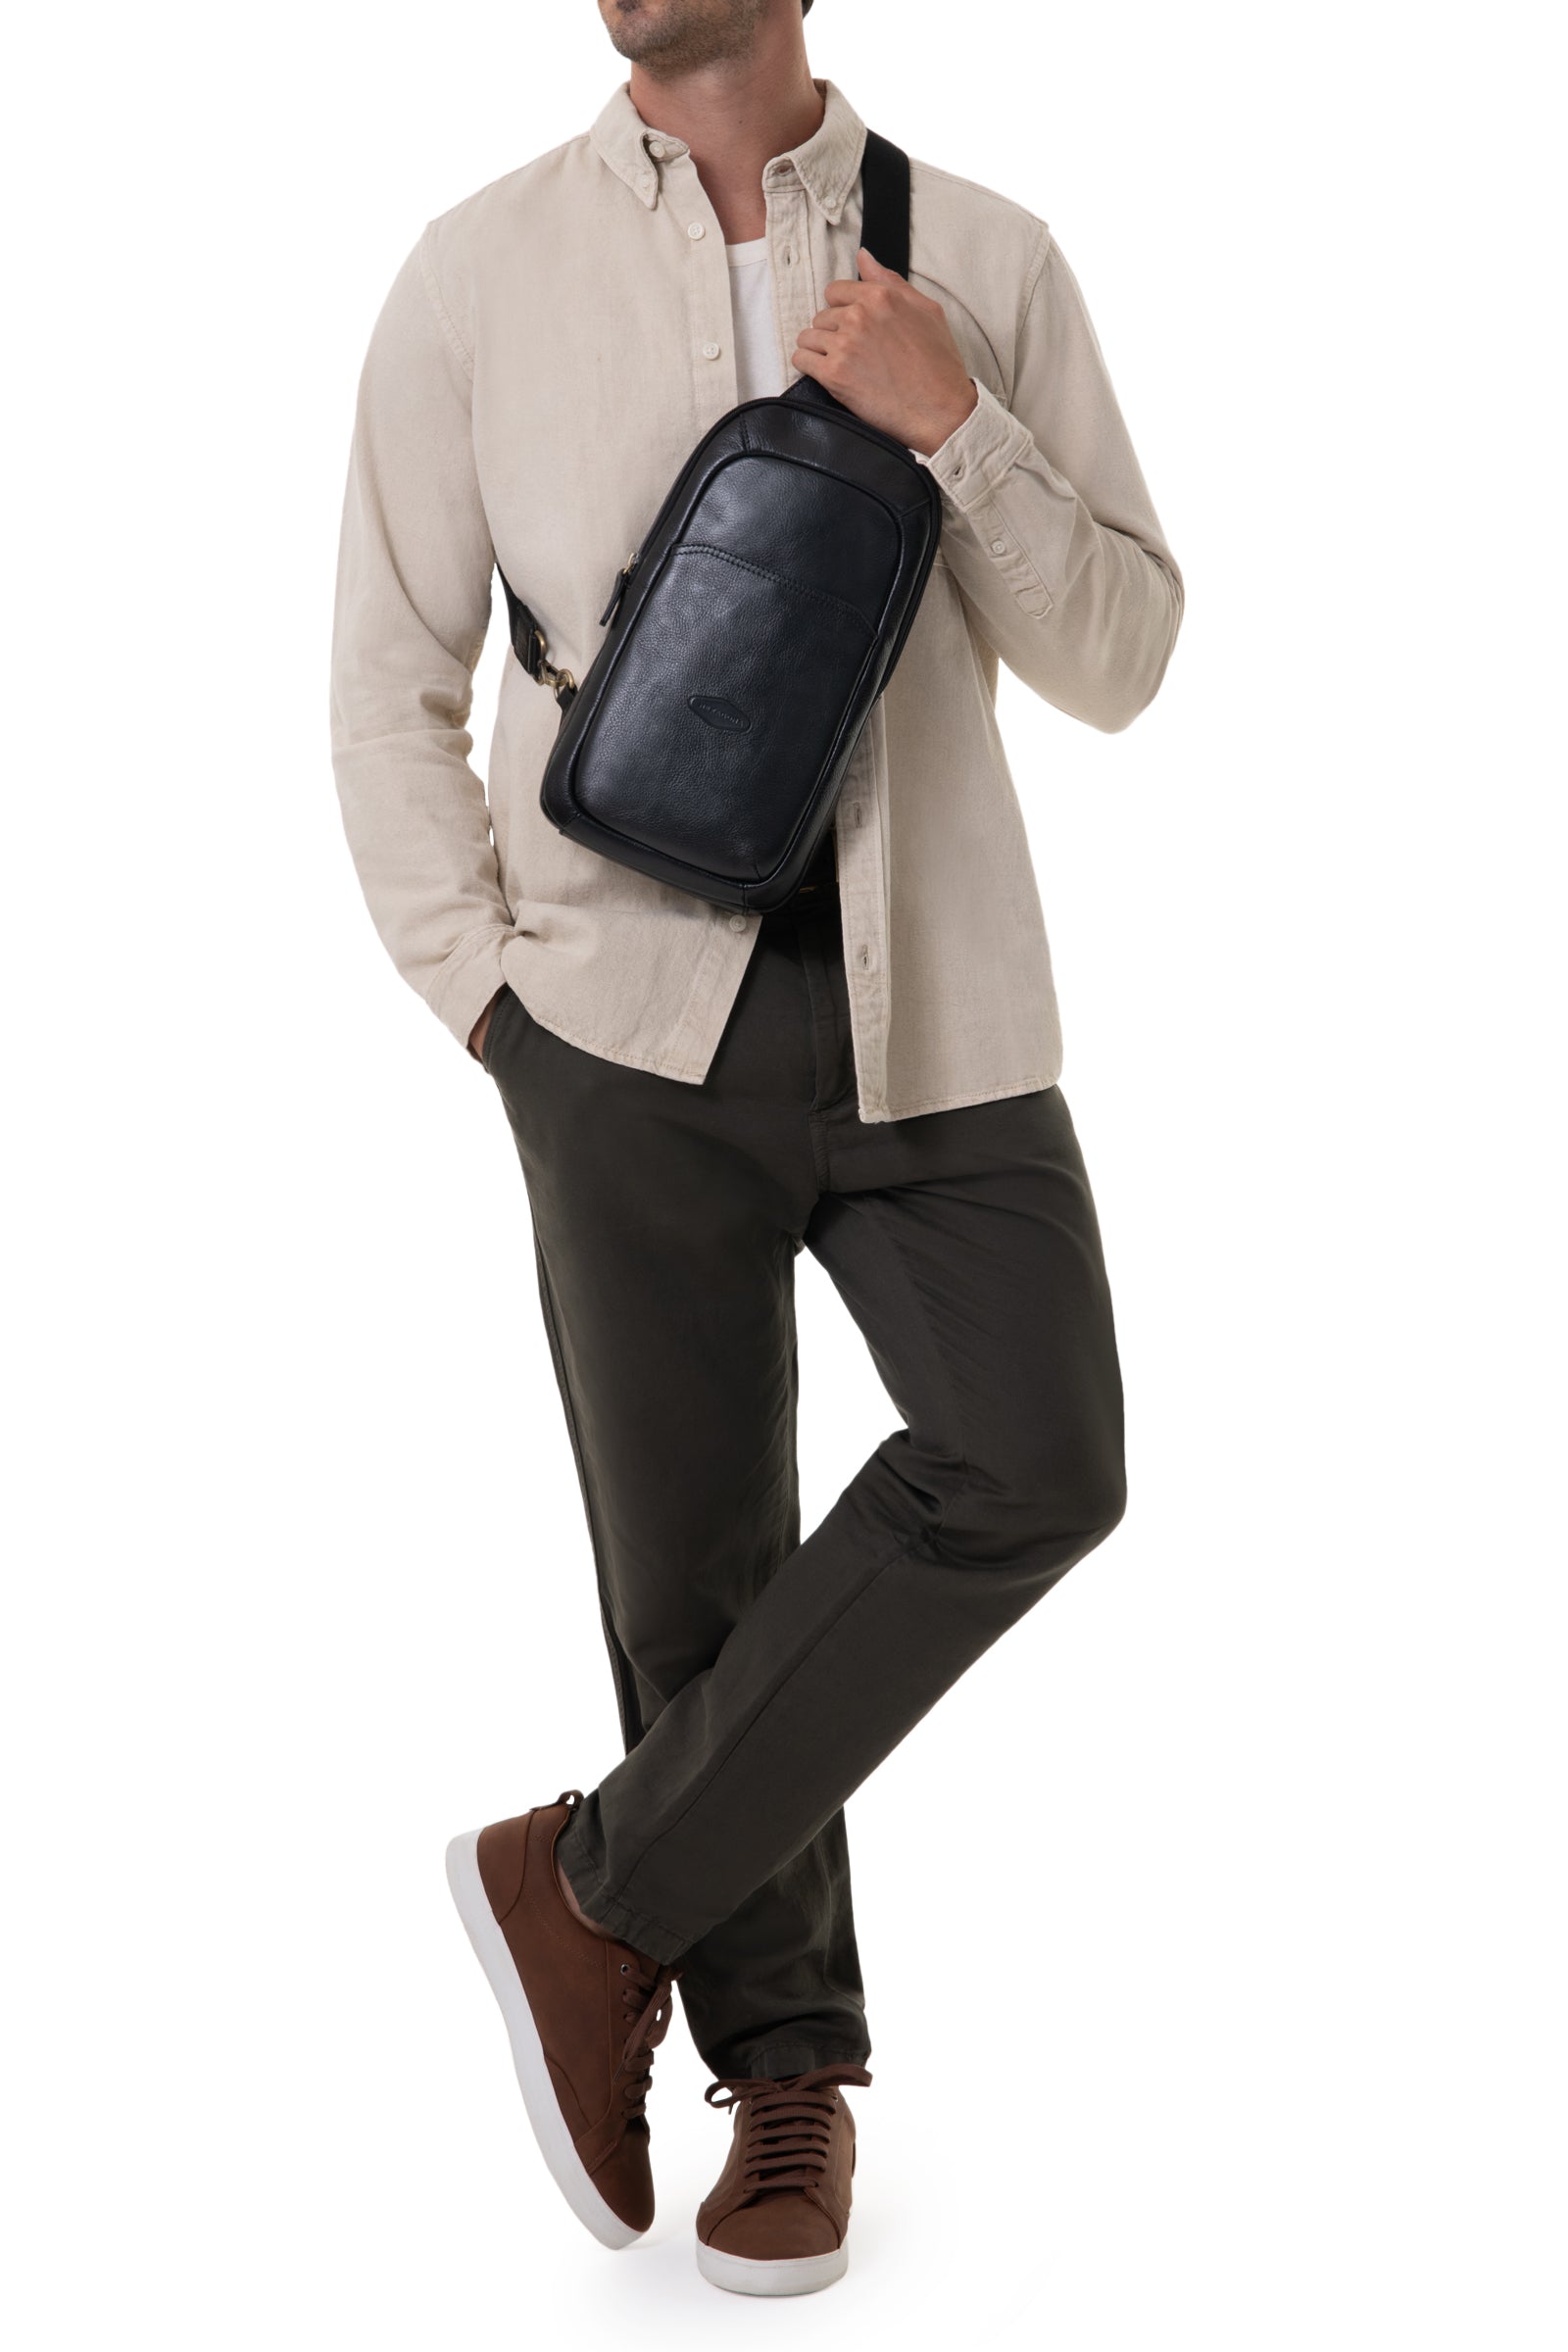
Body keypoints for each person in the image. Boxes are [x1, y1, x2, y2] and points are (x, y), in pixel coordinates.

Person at [328, 0, 1183, 2300]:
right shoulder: (476, 271)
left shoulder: (979, 252)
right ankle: (783, 2070)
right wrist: (489, 1005)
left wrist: (955, 421)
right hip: (613, 1026)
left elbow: (1121, 653)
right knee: (687, 1577)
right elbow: (388, 678)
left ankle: (588, 1887)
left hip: (940, 1013)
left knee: (1038, 1454)